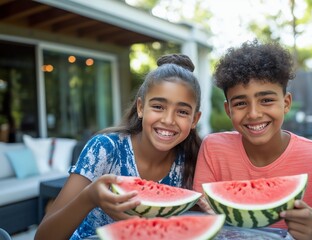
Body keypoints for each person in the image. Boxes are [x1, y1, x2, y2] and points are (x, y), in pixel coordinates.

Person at [193, 40, 312, 240]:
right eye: (241, 103)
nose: (254, 113)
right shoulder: (214, 148)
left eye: (266, 100)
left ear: (286, 103)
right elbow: (205, 223)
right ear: (228, 110)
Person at [35, 54, 202, 240]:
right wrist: (89, 197)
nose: (168, 120)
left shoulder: (190, 161)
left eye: (182, 112)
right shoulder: (104, 149)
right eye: (158, 107)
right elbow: (43, 237)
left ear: (194, 119)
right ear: (140, 107)